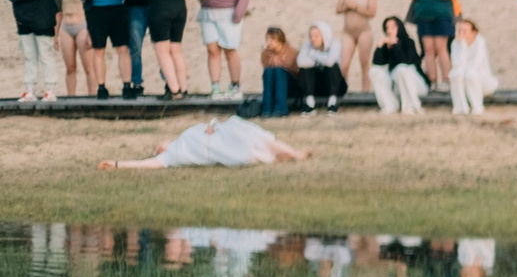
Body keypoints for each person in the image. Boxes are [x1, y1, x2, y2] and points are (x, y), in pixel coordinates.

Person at [97, 115, 311, 170]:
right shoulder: (172, 155)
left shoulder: (183, 136)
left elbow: (208, 126)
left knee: (245, 130)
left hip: (220, 134)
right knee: (248, 139)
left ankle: (291, 152)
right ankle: (288, 154)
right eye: (156, 150)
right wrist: (117, 164)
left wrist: (213, 125)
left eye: (157, 146)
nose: (158, 147)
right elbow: (145, 164)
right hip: (219, 148)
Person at [10, 0, 61, 103]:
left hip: (42, 20)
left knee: (46, 55)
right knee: (29, 56)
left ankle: (49, 90)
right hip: (24, 21)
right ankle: (29, 90)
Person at [338, 0, 381, 96]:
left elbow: (372, 13)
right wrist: (347, 6)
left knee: (364, 63)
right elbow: (338, 9)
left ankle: (365, 92)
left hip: (364, 32)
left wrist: (356, 6)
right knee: (344, 65)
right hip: (348, 32)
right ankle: (341, 92)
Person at [57, 0, 97, 97]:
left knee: (88, 67)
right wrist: (55, 34)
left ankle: (92, 97)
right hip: (65, 27)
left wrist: (91, 33)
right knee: (70, 67)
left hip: (82, 26)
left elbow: (92, 10)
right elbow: (58, 11)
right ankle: (71, 97)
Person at [374, 17, 428, 114]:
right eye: (387, 28)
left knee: (401, 69)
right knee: (374, 71)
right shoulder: (386, 46)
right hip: (397, 86)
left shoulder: (409, 42)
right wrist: (380, 45)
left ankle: (411, 106)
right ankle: (389, 105)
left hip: (416, 84)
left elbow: (405, 62)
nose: (390, 30)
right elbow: (377, 63)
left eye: (393, 27)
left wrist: (395, 46)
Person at [295, 21, 347, 112]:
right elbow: (301, 62)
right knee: (305, 70)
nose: (313, 39)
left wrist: (313, 54)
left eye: (316, 36)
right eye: (311, 36)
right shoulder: (307, 46)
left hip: (336, 85)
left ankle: (332, 103)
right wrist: (322, 59)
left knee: (332, 67)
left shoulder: (334, 44)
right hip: (316, 86)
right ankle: (310, 104)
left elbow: (330, 62)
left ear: (324, 35)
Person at [450, 18, 499, 116]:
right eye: (459, 30)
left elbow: (476, 64)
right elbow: (457, 65)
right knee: (455, 74)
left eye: (465, 31)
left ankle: (477, 107)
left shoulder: (480, 42)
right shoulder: (455, 43)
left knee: (470, 75)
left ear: (473, 32)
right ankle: (460, 107)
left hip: (483, 80)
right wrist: (462, 46)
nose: (461, 33)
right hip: (463, 80)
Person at [257, 25, 296, 116]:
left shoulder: (291, 52)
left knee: (279, 71)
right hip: (274, 85)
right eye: (267, 39)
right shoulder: (265, 53)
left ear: (280, 40)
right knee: (269, 71)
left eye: (272, 39)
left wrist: (278, 64)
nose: (268, 43)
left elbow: (296, 72)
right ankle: (266, 109)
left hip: (290, 86)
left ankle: (281, 108)